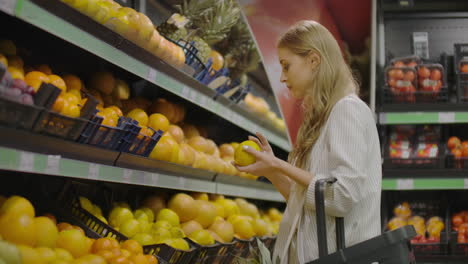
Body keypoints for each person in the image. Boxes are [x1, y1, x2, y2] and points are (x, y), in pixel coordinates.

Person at [234, 20, 382, 263]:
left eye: (286, 66)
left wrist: (281, 165)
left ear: (313, 60)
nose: (282, 77)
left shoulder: (347, 111)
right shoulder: (322, 117)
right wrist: (272, 171)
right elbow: (307, 200)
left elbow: (341, 197)